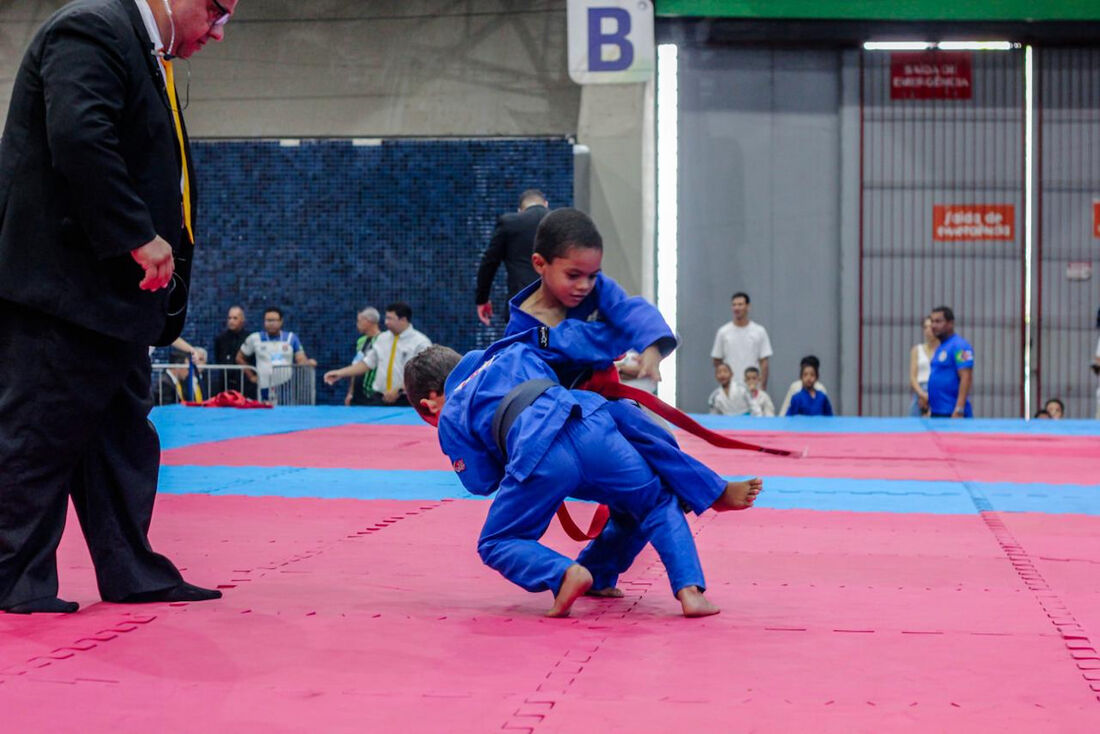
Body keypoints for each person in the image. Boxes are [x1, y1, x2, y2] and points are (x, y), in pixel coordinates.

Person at [0, 0, 237, 614]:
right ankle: (11, 577)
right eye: (215, 12)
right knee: (37, 435)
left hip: (116, 297)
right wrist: (136, 231)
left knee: (122, 441)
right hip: (64, 290)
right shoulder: (92, 28)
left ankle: (131, 569)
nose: (217, 32)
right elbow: (79, 135)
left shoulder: (146, 53)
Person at [403, 325, 762, 618]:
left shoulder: (450, 413)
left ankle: (564, 573)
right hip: (592, 424)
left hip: (538, 456)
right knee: (651, 502)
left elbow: (482, 482)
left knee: (496, 541)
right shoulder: (512, 349)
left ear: (429, 402)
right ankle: (688, 591)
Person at [502, 208, 753, 524]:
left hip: (600, 401)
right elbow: (525, 385)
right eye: (574, 275)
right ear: (540, 264)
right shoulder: (521, 330)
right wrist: (612, 339)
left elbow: (629, 310)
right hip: (559, 420)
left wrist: (650, 345)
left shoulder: (592, 289)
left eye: (592, 275)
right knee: (634, 426)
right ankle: (710, 490)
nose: (584, 285)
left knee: (658, 438)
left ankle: (681, 494)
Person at [323, 302, 431, 405]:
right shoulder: (382, 338)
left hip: (406, 399)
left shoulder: (420, 342)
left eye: (390, 319)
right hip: (380, 398)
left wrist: (400, 389)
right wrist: (340, 373)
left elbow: (424, 374)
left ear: (403, 319)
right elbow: (366, 364)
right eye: (386, 318)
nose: (385, 322)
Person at [475, 189, 549, 325]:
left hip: (522, 307)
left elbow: (489, 263)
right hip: (554, 308)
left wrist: (482, 299)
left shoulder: (509, 223)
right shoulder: (560, 222)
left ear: (520, 210)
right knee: (544, 342)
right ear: (546, 204)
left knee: (522, 344)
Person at [237, 306, 317, 401]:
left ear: (281, 321)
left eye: (274, 320)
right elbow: (239, 357)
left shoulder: (291, 338)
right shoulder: (255, 338)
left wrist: (308, 363)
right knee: (264, 414)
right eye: (268, 320)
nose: (271, 324)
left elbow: (301, 359)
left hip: (286, 388)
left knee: (285, 413)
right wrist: (251, 376)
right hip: (263, 387)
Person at [711, 292, 773, 389]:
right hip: (731, 388)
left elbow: (764, 362)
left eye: (740, 304)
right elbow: (717, 360)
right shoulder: (723, 332)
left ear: (748, 307)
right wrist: (724, 380)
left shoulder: (759, 331)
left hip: (752, 386)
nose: (736, 308)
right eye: (734, 305)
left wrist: (762, 386)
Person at [927, 306, 974, 419]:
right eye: (932, 321)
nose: (933, 326)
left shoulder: (960, 346)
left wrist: (959, 409)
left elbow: (966, 377)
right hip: (937, 411)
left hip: (952, 413)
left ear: (950, 324)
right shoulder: (940, 347)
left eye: (938, 321)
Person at [343, 307, 383, 406]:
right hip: (358, 393)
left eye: (359, 321)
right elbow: (356, 364)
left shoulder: (383, 339)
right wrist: (350, 392)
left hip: (373, 393)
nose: (357, 324)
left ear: (368, 321)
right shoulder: (361, 341)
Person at [213, 305, 249, 393]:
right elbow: (218, 358)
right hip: (225, 383)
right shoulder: (220, 339)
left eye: (235, 318)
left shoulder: (249, 338)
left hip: (244, 384)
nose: (231, 321)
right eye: (229, 318)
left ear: (242, 320)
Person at [909, 316, 938, 417]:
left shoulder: (944, 350)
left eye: (930, 327)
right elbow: (913, 377)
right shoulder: (917, 350)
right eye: (925, 327)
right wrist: (922, 394)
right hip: (920, 390)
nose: (928, 330)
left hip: (938, 391)